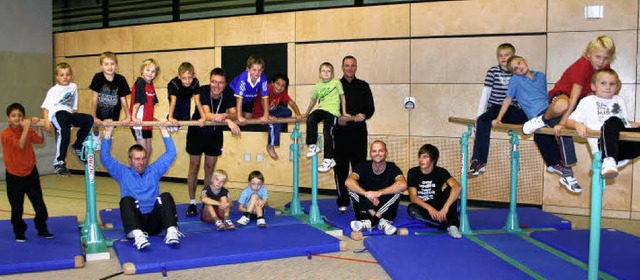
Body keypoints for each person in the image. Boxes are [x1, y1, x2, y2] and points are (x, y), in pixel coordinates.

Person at [521, 35, 615, 192]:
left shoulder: (605, 67)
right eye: (598, 57)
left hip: (579, 101)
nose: (601, 62)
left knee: (561, 131)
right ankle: (543, 118)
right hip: (563, 96)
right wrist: (563, 122)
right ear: (589, 53)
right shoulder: (583, 65)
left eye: (605, 58)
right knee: (563, 109)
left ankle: (566, 172)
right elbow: (573, 98)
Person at [493, 56, 577, 193]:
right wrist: (499, 118)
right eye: (515, 69)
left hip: (549, 111)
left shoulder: (541, 76)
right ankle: (563, 169)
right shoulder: (516, 80)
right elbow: (508, 99)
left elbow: (543, 95)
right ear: (514, 73)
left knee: (561, 130)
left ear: (525, 60)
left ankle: (558, 165)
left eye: (519, 63)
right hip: (537, 114)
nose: (519, 68)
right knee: (559, 132)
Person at [100, 119, 182, 250]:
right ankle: (139, 237)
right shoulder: (122, 172)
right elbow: (105, 158)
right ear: (130, 160)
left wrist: (163, 130)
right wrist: (109, 131)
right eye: (137, 159)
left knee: (166, 196)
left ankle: (171, 231)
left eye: (144, 158)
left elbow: (171, 154)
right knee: (125, 201)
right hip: (136, 223)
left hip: (155, 223)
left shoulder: (154, 170)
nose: (141, 162)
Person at [185, 68, 241, 217]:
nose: (216, 86)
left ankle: (206, 200)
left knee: (210, 169)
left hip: (215, 134)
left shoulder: (228, 92)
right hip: (197, 132)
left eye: (220, 83)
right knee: (194, 167)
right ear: (209, 81)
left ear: (225, 83)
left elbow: (235, 113)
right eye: (213, 82)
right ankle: (191, 202)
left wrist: (226, 117)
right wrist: (227, 119)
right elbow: (208, 115)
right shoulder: (202, 91)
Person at [469, 43, 531, 176]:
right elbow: (486, 92)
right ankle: (479, 161)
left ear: (513, 56)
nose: (503, 58)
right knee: (482, 122)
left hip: (512, 108)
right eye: (500, 55)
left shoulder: (518, 73)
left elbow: (524, 94)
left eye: (507, 55)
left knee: (527, 121)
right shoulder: (493, 71)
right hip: (495, 107)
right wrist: (480, 115)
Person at [565, 69, 639, 179]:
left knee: (615, 122)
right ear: (593, 86)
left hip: (624, 147)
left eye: (612, 84)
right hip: (603, 147)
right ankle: (609, 159)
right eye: (603, 83)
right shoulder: (588, 101)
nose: (608, 87)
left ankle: (612, 159)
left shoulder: (619, 100)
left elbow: (623, 123)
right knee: (612, 121)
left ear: (617, 87)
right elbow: (568, 121)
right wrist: (577, 125)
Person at [2, 103, 54, 242]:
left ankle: (42, 228)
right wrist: (26, 127)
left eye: (20, 115)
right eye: (13, 116)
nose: (17, 118)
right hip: (14, 175)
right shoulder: (5, 134)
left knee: (39, 204)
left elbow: (40, 139)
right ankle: (19, 232)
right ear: (8, 118)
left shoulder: (27, 130)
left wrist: (37, 126)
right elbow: (20, 145)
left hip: (30, 172)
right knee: (17, 207)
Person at [333, 55, 375, 213]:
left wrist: (364, 115)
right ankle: (342, 201)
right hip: (340, 135)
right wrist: (338, 118)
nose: (350, 68)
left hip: (358, 134)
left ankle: (360, 202)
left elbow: (370, 108)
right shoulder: (335, 86)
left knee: (359, 170)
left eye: (352, 65)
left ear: (355, 67)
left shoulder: (363, 86)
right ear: (342, 68)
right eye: (347, 65)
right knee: (341, 170)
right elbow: (329, 108)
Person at [41, 62, 94, 176]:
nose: (65, 77)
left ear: (71, 75)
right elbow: (46, 107)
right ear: (57, 77)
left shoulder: (73, 87)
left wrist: (73, 119)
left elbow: (72, 107)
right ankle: (59, 162)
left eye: (67, 74)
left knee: (88, 119)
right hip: (58, 113)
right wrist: (46, 120)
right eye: (62, 75)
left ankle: (77, 145)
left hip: (68, 114)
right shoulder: (53, 90)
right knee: (64, 132)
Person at [345, 140, 407, 235]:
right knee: (352, 188)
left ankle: (370, 222)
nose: (377, 154)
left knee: (397, 190)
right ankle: (380, 220)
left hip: (386, 209)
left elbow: (403, 184)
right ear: (370, 153)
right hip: (366, 209)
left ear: (386, 153)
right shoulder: (363, 166)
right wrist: (366, 194)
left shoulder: (392, 168)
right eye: (374, 151)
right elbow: (348, 182)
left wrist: (379, 193)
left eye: (380, 151)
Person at [407, 144, 462, 239]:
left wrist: (445, 208)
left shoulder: (440, 171)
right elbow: (413, 196)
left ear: (433, 159)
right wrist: (430, 209)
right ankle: (446, 223)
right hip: (424, 206)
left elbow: (457, 187)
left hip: (439, 203)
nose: (421, 160)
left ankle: (453, 225)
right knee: (411, 209)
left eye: (425, 157)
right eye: (420, 157)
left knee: (451, 190)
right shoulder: (413, 172)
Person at [304, 62, 349, 172]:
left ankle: (329, 159)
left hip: (332, 112)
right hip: (322, 110)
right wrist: (306, 113)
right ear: (320, 74)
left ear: (332, 73)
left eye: (328, 71)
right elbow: (313, 101)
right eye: (323, 71)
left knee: (327, 131)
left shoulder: (336, 82)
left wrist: (344, 112)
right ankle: (313, 145)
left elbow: (342, 97)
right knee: (311, 119)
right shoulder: (318, 86)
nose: (326, 73)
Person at [252, 73, 302, 160]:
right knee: (274, 123)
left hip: (271, 111)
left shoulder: (282, 92)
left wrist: (298, 114)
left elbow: (291, 103)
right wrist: (268, 116)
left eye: (283, 86)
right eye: (277, 84)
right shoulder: (267, 88)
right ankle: (270, 146)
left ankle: (275, 121)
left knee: (287, 112)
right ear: (272, 83)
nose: (279, 87)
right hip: (260, 113)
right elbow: (263, 102)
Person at [88, 51, 132, 150]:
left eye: (112, 64)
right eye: (106, 64)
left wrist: (128, 116)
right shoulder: (98, 77)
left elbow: (123, 100)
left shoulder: (121, 79)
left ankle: (107, 136)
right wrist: (93, 116)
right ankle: (96, 134)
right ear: (101, 66)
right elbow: (94, 99)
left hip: (113, 114)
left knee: (108, 135)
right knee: (95, 124)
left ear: (116, 65)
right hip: (99, 112)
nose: (109, 67)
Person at [130, 58, 160, 158]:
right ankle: (138, 173)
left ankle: (142, 173)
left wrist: (152, 118)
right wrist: (133, 117)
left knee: (149, 151)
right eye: (147, 70)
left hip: (147, 123)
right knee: (142, 152)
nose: (150, 73)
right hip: (139, 123)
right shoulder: (140, 82)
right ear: (142, 70)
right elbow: (137, 102)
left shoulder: (151, 85)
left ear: (156, 74)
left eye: (153, 71)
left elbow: (151, 104)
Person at [229, 55, 270, 125]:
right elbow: (239, 98)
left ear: (262, 70)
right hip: (234, 96)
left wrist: (266, 115)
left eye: (259, 70)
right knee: (235, 116)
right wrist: (239, 116)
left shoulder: (263, 78)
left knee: (248, 119)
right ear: (247, 69)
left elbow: (265, 98)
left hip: (248, 98)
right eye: (254, 70)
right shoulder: (243, 77)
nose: (257, 73)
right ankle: (227, 114)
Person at [166, 62, 205, 131]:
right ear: (179, 76)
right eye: (184, 78)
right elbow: (173, 101)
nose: (187, 81)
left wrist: (203, 117)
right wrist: (170, 117)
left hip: (186, 97)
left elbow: (198, 101)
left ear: (194, 75)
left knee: (185, 119)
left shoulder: (195, 82)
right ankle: (167, 116)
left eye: (190, 78)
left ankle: (174, 122)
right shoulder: (174, 84)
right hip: (175, 97)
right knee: (175, 116)